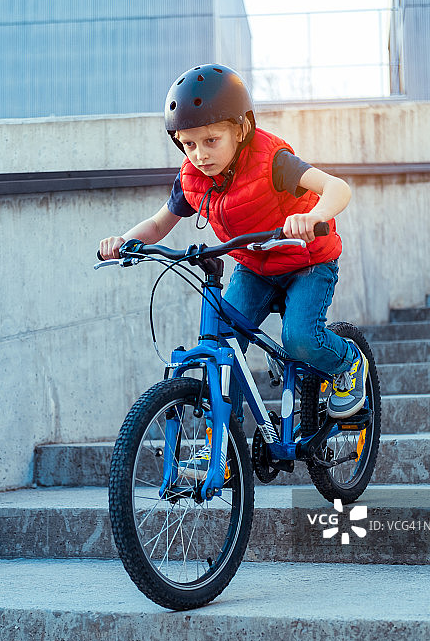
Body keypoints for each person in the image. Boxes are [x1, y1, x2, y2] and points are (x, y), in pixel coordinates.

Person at [99, 63, 367, 422]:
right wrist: (124, 241)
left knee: (300, 339)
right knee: (222, 343)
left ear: (240, 130)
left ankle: (348, 363)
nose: (200, 155)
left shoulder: (273, 162)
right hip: (255, 267)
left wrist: (313, 216)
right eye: (189, 144)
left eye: (211, 141)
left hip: (307, 261)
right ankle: (227, 439)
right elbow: (159, 223)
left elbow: (337, 188)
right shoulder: (193, 178)